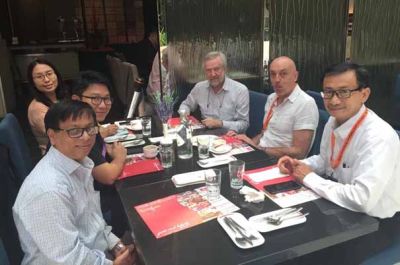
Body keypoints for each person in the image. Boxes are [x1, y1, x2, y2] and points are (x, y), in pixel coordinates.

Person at [278, 62, 400, 263]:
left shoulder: (378, 137)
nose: (334, 101)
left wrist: (309, 178)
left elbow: (363, 199)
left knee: (300, 256)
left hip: (376, 224)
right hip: (342, 210)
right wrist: (299, 164)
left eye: (344, 92)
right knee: (286, 238)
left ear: (364, 94)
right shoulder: (334, 121)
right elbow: (327, 161)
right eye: (328, 92)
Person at [13, 100, 136, 265]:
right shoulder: (47, 190)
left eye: (90, 129)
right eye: (75, 131)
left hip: (97, 255)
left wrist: (117, 246)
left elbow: (93, 222)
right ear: (52, 136)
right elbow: (66, 258)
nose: (86, 137)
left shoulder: (78, 164)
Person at [71, 71, 128, 236]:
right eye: (95, 99)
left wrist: (104, 150)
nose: (103, 105)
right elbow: (108, 176)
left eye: (107, 99)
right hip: (86, 209)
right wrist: (119, 157)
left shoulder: (90, 126)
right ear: (76, 100)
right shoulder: (80, 133)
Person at [235, 56, 318, 159]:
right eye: (273, 74)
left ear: (295, 76)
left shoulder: (305, 103)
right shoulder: (272, 98)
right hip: (261, 155)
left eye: (283, 74)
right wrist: (248, 145)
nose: (277, 79)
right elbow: (264, 134)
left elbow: (299, 152)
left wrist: (258, 149)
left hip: (281, 163)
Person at [178, 51, 249, 134]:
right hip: (205, 135)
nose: (213, 74)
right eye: (208, 70)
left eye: (216, 69)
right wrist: (184, 115)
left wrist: (220, 123)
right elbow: (186, 105)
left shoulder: (240, 90)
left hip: (229, 135)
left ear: (225, 69)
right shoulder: (199, 88)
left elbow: (244, 124)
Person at [27, 58, 68, 155]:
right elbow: (60, 136)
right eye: (39, 77)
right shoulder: (37, 109)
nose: (46, 79)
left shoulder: (60, 97)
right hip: (55, 154)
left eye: (49, 74)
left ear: (56, 74)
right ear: (33, 82)